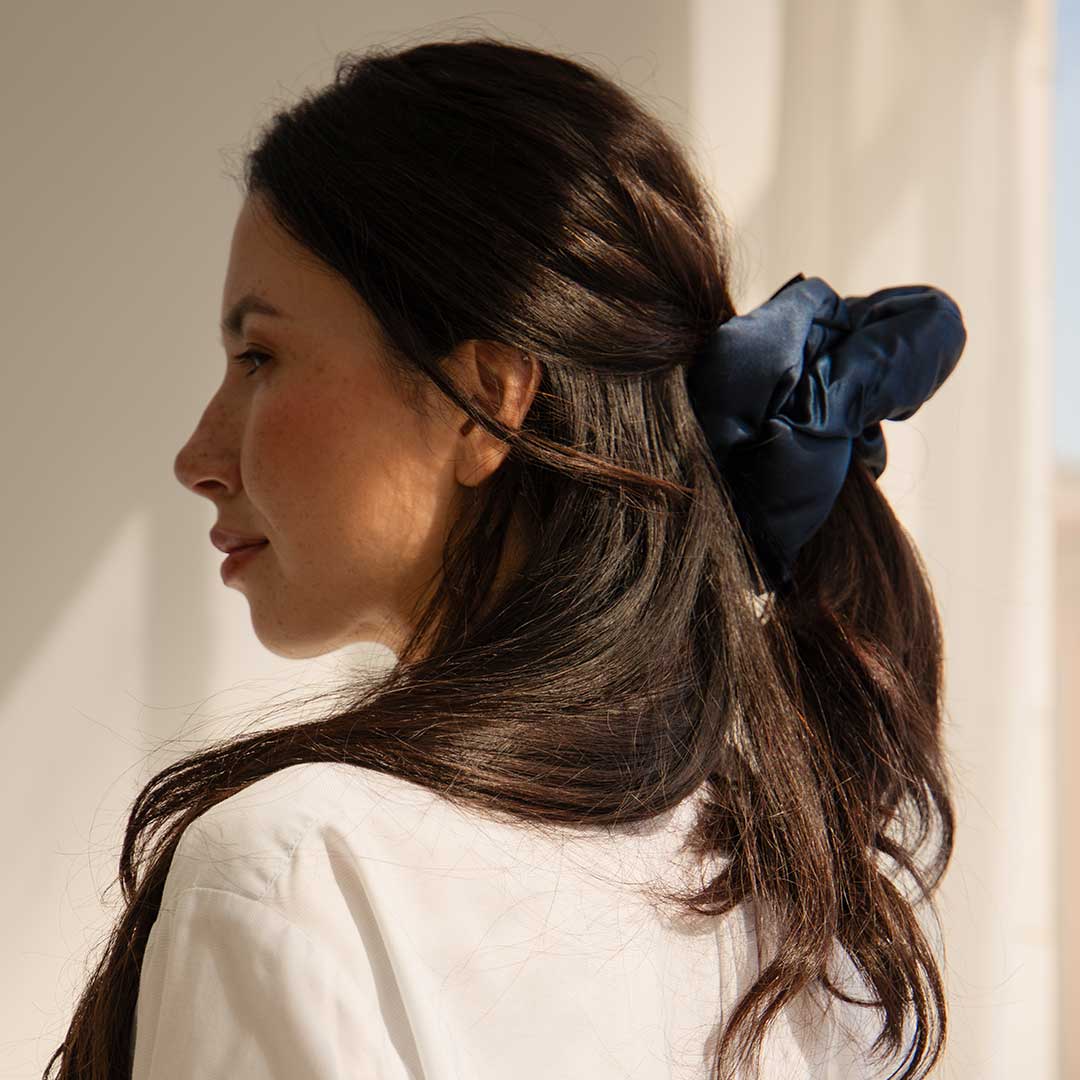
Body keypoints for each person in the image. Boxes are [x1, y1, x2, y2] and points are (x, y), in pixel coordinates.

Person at [44, 35, 966, 1080]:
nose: (199, 456)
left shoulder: (301, 871)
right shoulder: (802, 904)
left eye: (261, 356)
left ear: (486, 398)